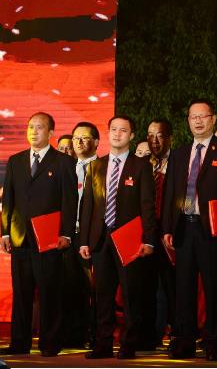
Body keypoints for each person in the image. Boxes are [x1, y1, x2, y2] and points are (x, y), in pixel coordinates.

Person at [161, 99, 217, 361]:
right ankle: (184, 342)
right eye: (193, 117)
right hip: (184, 227)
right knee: (183, 289)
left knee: (214, 288)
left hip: (213, 229)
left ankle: (213, 342)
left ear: (213, 119)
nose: (197, 121)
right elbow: (171, 193)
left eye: (202, 116)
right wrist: (167, 227)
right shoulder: (179, 153)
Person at [79, 115, 156, 360]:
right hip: (100, 239)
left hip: (129, 238)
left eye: (123, 130)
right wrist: (84, 241)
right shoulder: (96, 166)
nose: (117, 134)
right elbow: (88, 206)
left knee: (131, 295)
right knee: (102, 295)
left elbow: (147, 205)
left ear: (131, 135)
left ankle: (129, 344)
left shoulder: (141, 166)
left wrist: (149, 239)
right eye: (113, 129)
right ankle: (102, 343)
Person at [1, 112, 78, 357]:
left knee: (49, 292)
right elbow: (8, 199)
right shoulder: (15, 161)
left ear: (51, 133)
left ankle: (50, 342)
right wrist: (5, 233)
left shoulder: (63, 162)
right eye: (30, 127)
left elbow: (70, 201)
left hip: (49, 238)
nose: (34, 132)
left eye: (40, 127)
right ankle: (19, 342)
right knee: (21, 293)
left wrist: (66, 233)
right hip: (20, 237)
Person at [60, 122, 101, 350]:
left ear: (96, 142)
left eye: (85, 138)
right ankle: (73, 334)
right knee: (69, 287)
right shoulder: (66, 168)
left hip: (93, 237)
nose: (79, 142)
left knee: (94, 288)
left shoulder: (104, 168)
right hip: (68, 236)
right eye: (76, 138)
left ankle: (95, 333)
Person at [144, 118, 175, 349]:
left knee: (171, 287)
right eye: (150, 135)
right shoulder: (142, 165)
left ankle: (176, 332)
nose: (154, 141)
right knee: (147, 286)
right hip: (147, 234)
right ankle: (150, 335)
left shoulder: (179, 163)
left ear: (170, 138)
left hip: (171, 235)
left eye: (160, 135)